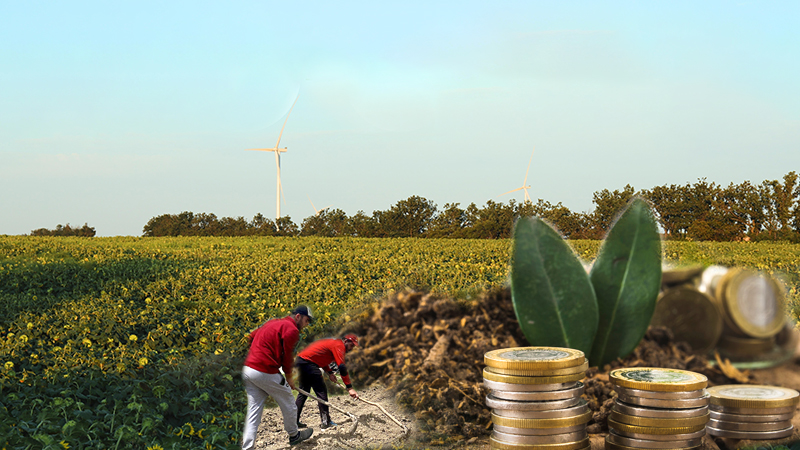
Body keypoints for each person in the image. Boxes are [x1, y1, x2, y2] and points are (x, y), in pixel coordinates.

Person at [241, 305, 315, 448]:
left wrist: (258, 352)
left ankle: (247, 447)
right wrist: (289, 378)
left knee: (253, 412)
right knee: (288, 402)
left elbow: (251, 336)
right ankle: (294, 435)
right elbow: (287, 357)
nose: (307, 325)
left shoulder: (272, 322)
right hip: (264, 371)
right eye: (307, 321)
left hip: (248, 370)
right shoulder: (292, 329)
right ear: (298, 316)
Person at [294, 334, 360, 429]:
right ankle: (326, 422)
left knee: (303, 393)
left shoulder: (333, 344)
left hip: (301, 361)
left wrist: (330, 373)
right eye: (352, 345)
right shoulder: (339, 345)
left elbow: (320, 358)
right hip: (308, 363)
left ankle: (293, 421)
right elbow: (342, 367)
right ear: (345, 341)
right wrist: (350, 388)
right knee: (321, 391)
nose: (352, 348)